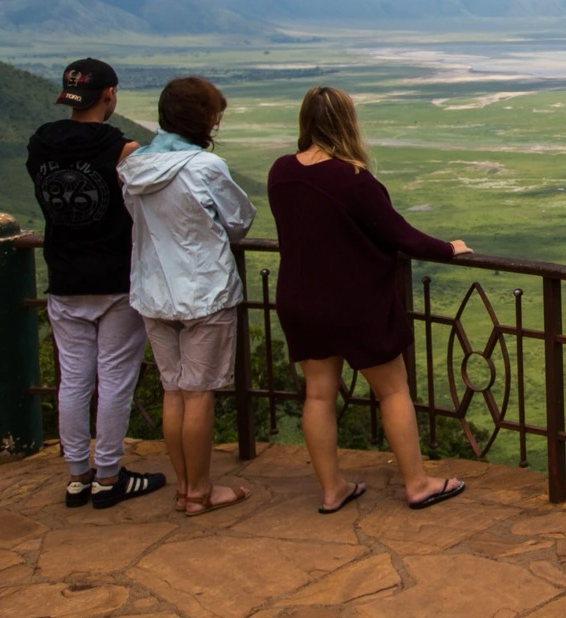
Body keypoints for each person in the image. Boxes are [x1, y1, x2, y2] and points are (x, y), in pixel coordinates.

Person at [266, 86, 472, 513]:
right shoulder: (354, 178)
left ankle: (331, 489)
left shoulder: (280, 172)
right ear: (347, 122)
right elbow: (399, 234)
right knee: (393, 391)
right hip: (354, 303)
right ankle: (417, 483)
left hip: (300, 300)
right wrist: (447, 248)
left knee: (319, 395)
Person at [25, 58, 167, 510]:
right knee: (115, 380)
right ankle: (108, 477)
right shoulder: (123, 149)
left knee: (74, 380)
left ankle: (76, 477)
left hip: (64, 277)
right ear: (110, 94)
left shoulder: (40, 145)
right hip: (115, 278)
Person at [120, 77, 256, 517]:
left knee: (173, 392)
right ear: (204, 119)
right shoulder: (205, 167)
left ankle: (183, 488)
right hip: (204, 291)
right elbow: (238, 222)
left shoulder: (134, 166)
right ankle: (200, 491)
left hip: (153, 291)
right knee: (199, 394)